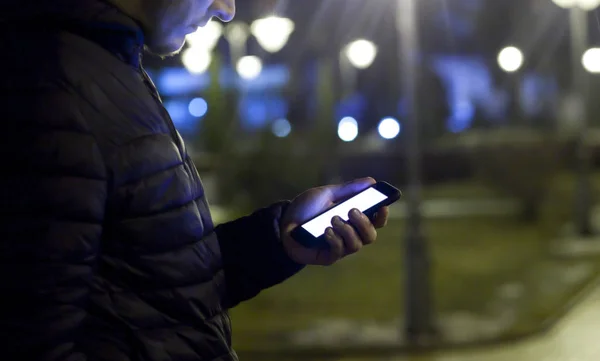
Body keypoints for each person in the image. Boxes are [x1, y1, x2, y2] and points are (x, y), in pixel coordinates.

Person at [0, 0, 390, 360]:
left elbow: (156, 291)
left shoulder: (104, 70)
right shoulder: (52, 83)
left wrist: (279, 239)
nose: (226, 9)